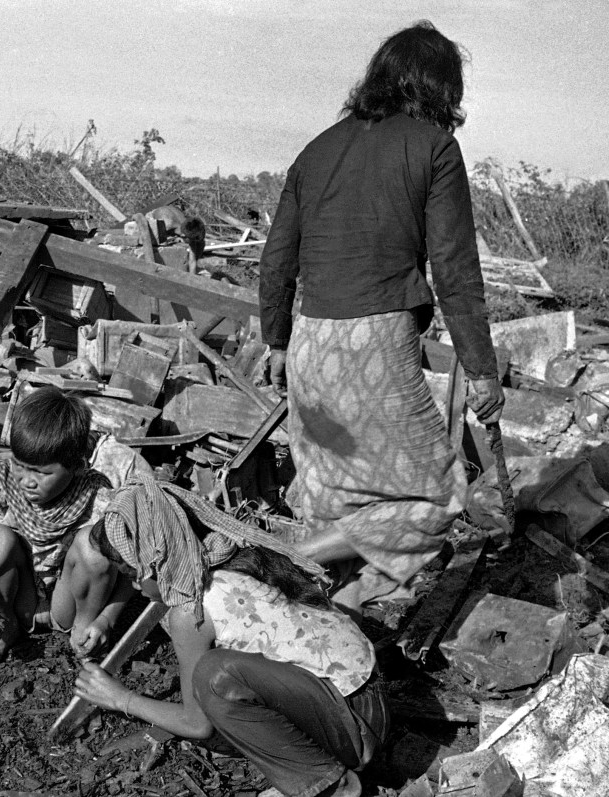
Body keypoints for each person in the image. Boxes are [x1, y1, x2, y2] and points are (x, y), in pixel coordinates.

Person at [258, 21, 506, 608]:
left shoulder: (316, 150)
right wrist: (482, 368)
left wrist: (276, 342)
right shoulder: (434, 148)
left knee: (338, 501)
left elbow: (276, 262)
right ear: (440, 88)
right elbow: (453, 270)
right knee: (436, 497)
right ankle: (285, 561)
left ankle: (333, 618)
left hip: (311, 343)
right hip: (375, 343)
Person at [75, 479, 386, 797]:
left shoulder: (191, 612)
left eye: (133, 576)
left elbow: (197, 725)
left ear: (157, 563)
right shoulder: (234, 552)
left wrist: (119, 698)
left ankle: (331, 786)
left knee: (214, 676)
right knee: (224, 681)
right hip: (369, 700)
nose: (137, 588)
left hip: (353, 729)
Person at [0, 387, 129, 668]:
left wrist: (106, 619)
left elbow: (131, 569)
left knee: (95, 547)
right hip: (17, 599)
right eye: (21, 466)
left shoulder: (98, 495)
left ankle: (83, 637)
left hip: (68, 603)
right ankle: (7, 625)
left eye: (42, 472)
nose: (27, 481)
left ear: (78, 467)